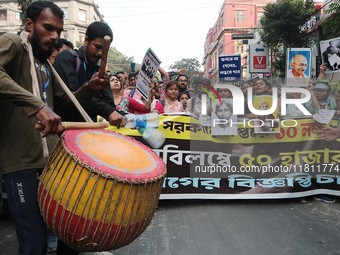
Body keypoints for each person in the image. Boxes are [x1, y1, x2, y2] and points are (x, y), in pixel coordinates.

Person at [0, 1, 109, 255]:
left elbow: (64, 103)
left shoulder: (44, 63)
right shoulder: (14, 43)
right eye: (47, 28)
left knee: (67, 236)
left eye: (58, 31)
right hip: (22, 164)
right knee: (34, 244)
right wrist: (37, 105)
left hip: (51, 162)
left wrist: (90, 88)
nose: (54, 36)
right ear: (29, 24)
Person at [53, 21, 125, 126]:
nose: (100, 53)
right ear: (86, 40)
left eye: (105, 50)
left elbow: (109, 105)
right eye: (97, 47)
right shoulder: (67, 59)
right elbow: (72, 98)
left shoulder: (99, 71)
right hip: (63, 130)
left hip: (87, 133)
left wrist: (129, 118)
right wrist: (107, 110)